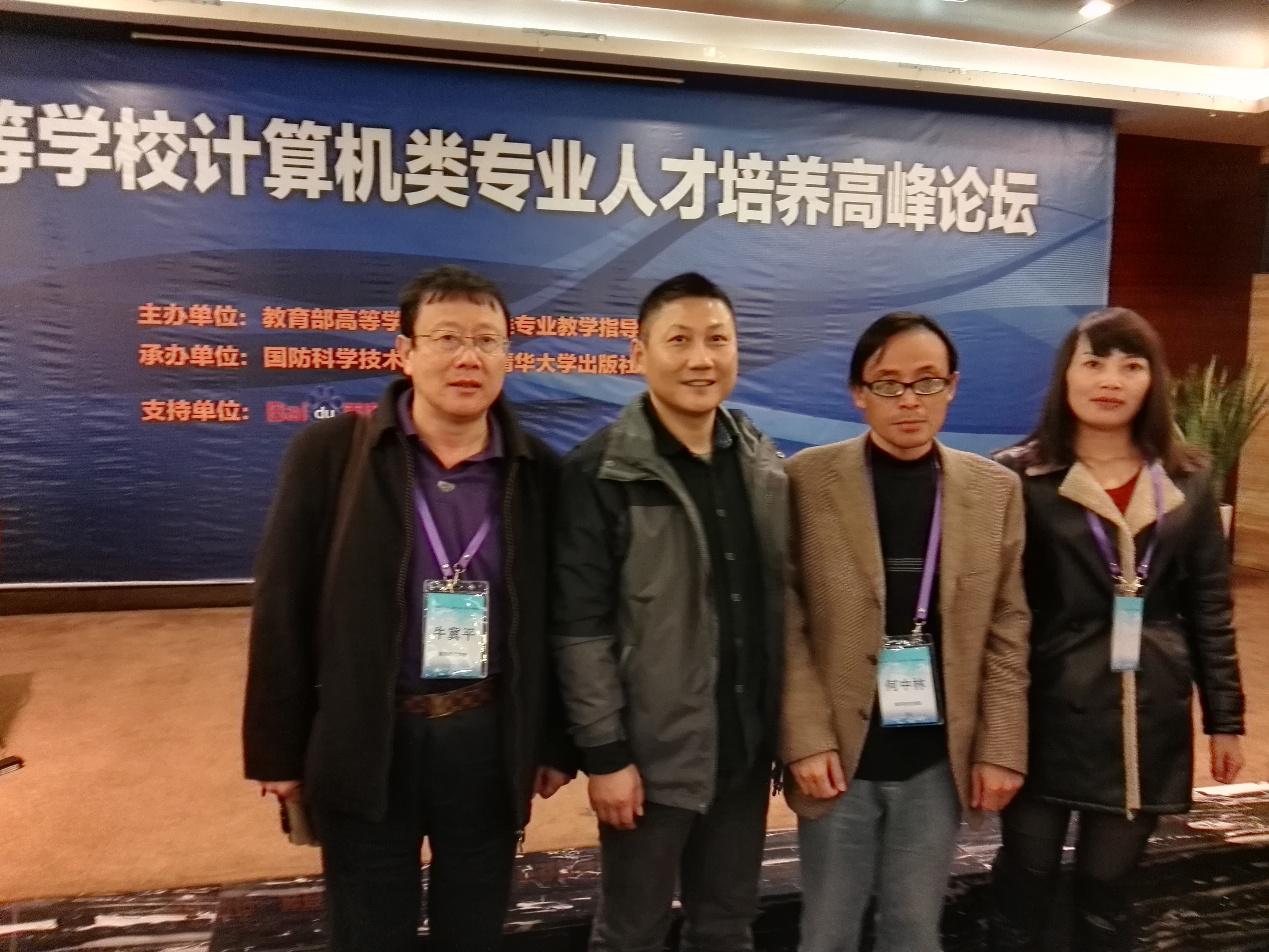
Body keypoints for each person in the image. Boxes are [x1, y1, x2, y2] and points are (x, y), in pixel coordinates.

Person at [243, 265, 573, 952]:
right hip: (368, 734)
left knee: (474, 927)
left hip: (486, 738)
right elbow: (282, 606)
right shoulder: (330, 457)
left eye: (487, 340)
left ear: (508, 357)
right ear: (405, 352)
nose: (468, 357)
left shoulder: (540, 472)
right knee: (368, 928)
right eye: (447, 337)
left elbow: (557, 619)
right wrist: (277, 749)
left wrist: (553, 741)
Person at [989, 306, 1245, 951]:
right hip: (1044, 708)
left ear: (1152, 379)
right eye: (1093, 362)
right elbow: (991, 611)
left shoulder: (1188, 479)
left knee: (1108, 889)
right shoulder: (1018, 476)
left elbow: (1209, 607)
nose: (1110, 380)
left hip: (1144, 712)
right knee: (1025, 878)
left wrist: (1225, 719)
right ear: (1066, 375)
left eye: (1131, 366)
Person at [552, 272, 787, 952]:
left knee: (727, 928)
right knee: (631, 934)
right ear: (639, 353)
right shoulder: (602, 471)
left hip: (742, 751)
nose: (700, 359)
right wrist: (605, 755)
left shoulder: (760, 460)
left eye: (717, 340)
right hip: (650, 762)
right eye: (678, 340)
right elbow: (579, 629)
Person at [782, 311, 1030, 952]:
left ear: (953, 387)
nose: (909, 399)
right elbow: (786, 621)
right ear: (858, 394)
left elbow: (1008, 625)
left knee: (914, 931)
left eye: (927, 381)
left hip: (936, 759)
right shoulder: (806, 480)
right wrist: (804, 739)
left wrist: (1001, 746)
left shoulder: (995, 490)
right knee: (826, 933)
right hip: (838, 755)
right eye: (888, 384)